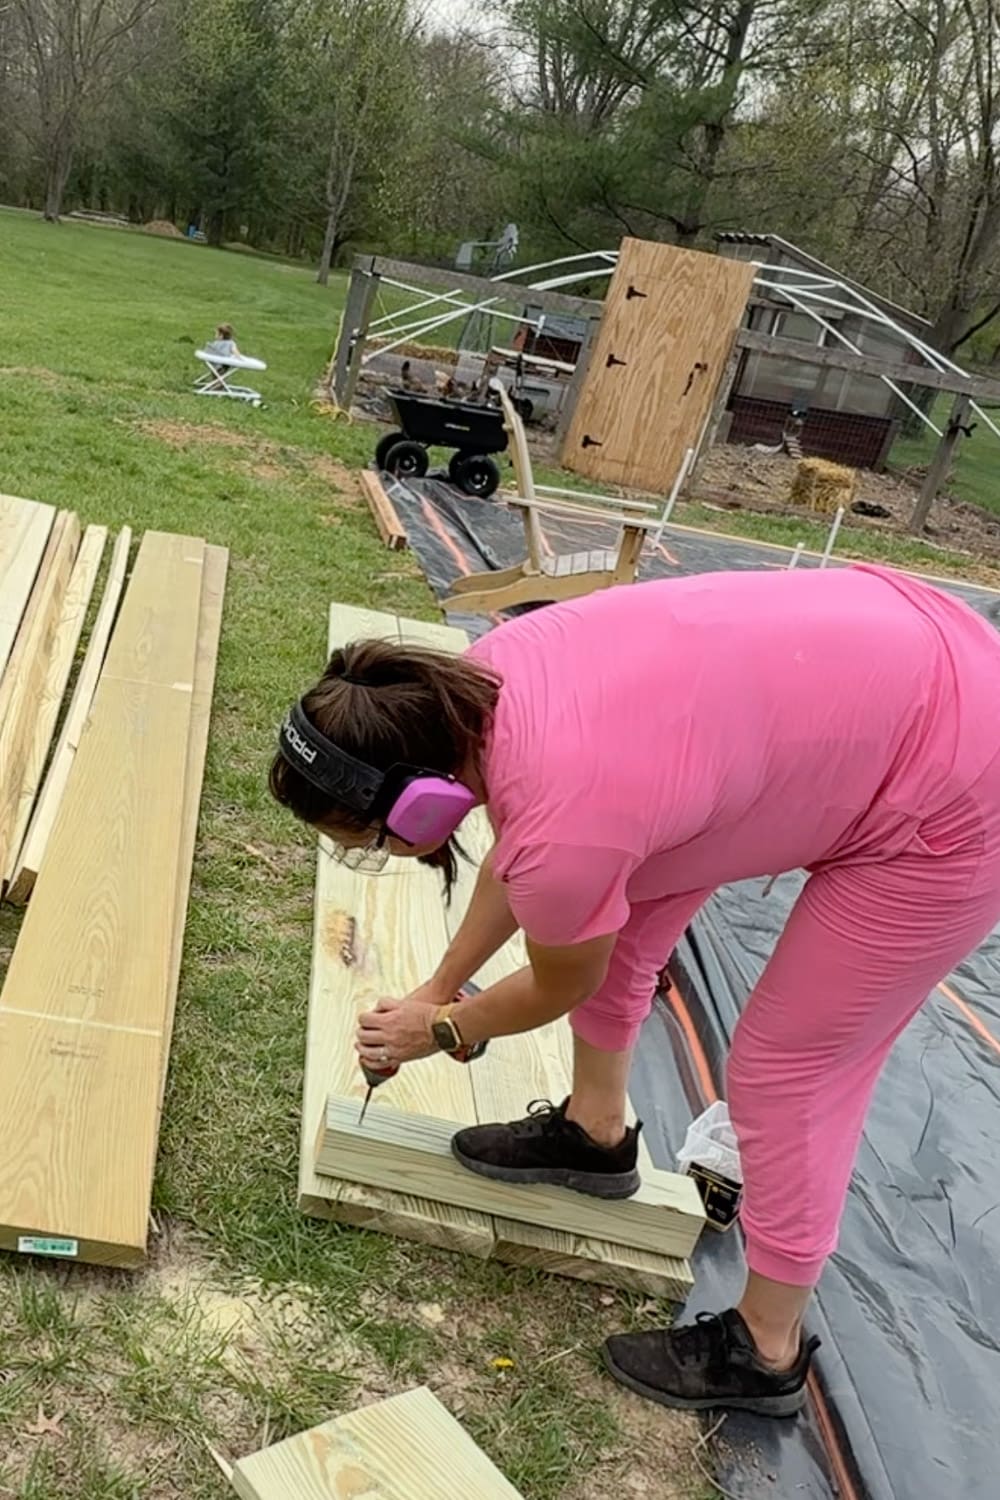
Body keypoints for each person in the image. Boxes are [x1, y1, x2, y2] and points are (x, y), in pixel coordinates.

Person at [269, 567, 1000, 1417]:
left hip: (960, 782)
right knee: (619, 913)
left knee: (787, 1069)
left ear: (420, 805)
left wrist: (443, 1029)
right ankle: (595, 1134)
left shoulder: (568, 808)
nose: (373, 853)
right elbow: (528, 857)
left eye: (365, 840)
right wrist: (436, 987)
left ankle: (766, 1346)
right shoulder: (482, 686)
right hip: (880, 678)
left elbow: (558, 975)